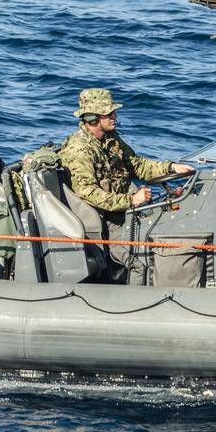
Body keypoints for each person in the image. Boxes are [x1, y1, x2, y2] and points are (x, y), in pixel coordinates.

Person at [58, 88, 195, 286]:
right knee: (140, 261)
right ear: (93, 118)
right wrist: (131, 200)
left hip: (126, 213)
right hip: (106, 221)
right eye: (109, 113)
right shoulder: (79, 150)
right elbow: (89, 194)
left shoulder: (110, 140)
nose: (115, 116)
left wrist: (172, 167)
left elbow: (138, 166)